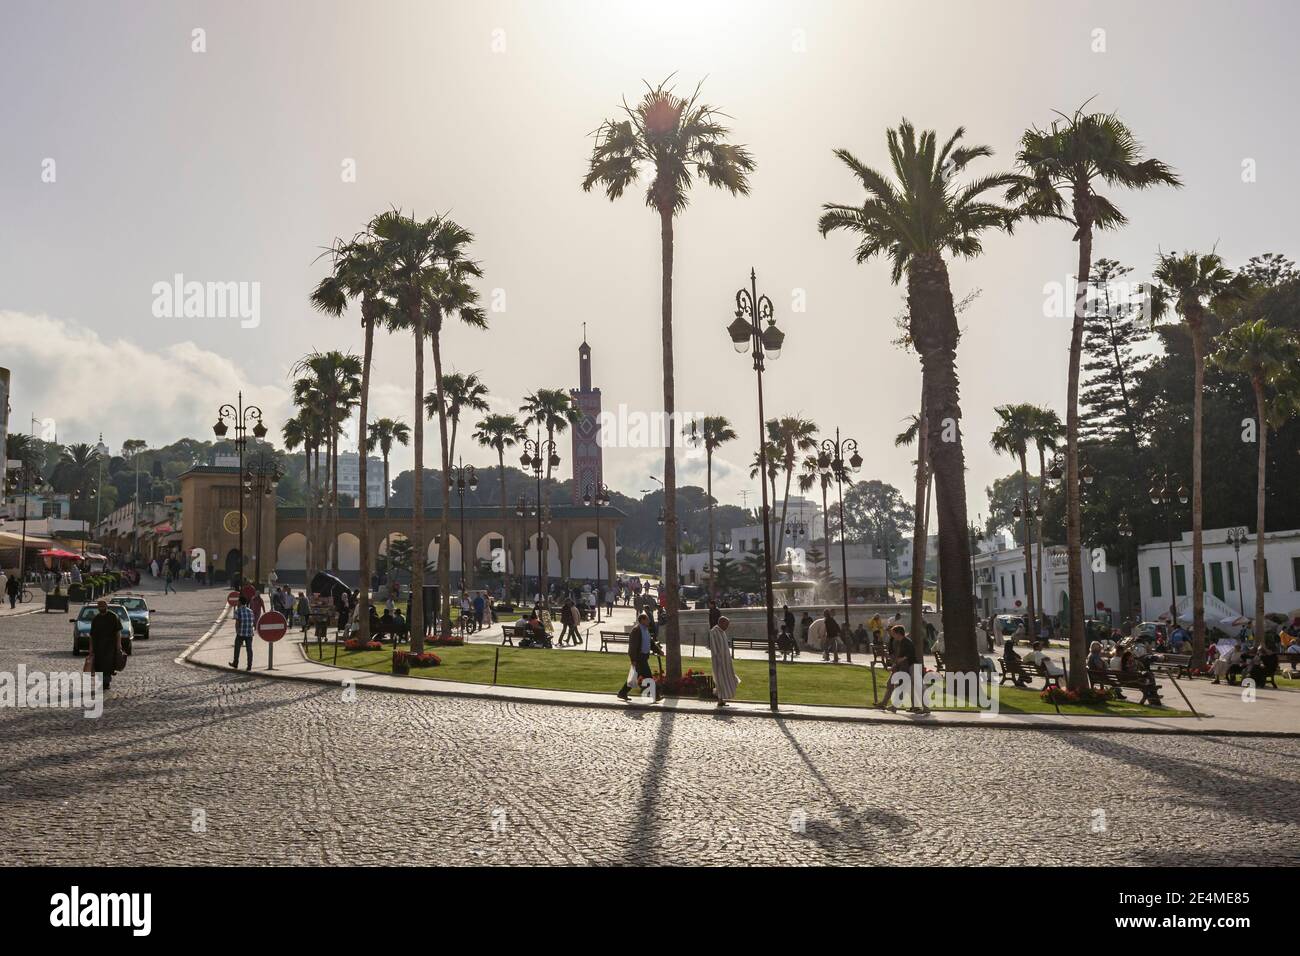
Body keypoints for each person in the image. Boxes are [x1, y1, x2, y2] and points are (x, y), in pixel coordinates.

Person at [617, 612, 660, 702]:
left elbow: (650, 643)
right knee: (648, 677)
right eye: (647, 619)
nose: (649, 621)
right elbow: (633, 646)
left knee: (634, 677)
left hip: (644, 657)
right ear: (642, 620)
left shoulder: (645, 630)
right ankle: (655, 695)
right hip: (639, 658)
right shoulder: (636, 630)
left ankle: (622, 693)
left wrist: (658, 650)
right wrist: (633, 659)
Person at [88, 599, 124, 696]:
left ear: (106, 606)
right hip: (98, 646)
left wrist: (118, 645)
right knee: (99, 665)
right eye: (100, 607)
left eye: (103, 606)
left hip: (110, 646)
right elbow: (91, 635)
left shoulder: (113, 617)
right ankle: (101, 682)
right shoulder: (96, 619)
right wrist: (91, 648)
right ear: (98, 608)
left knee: (108, 665)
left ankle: (106, 682)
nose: (102, 608)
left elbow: (118, 632)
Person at [706, 615, 740, 707]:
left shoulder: (722, 632)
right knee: (720, 679)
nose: (727, 627)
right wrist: (718, 659)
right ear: (721, 623)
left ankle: (722, 699)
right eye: (726, 625)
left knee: (729, 678)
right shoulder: (714, 632)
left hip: (726, 661)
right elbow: (714, 647)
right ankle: (720, 700)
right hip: (719, 661)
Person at [230, 595, 255, 670]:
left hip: (241, 633)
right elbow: (253, 621)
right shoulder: (250, 611)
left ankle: (235, 663)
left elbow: (237, 623)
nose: (237, 602)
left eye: (238, 601)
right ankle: (249, 666)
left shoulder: (238, 611)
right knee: (249, 649)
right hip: (249, 633)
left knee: (237, 648)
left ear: (240, 602)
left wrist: (237, 631)